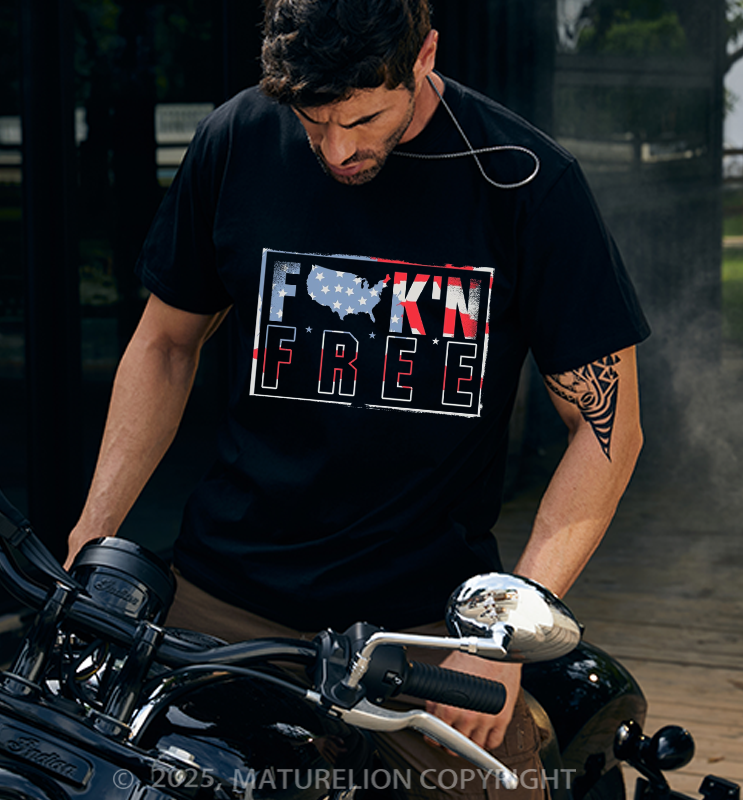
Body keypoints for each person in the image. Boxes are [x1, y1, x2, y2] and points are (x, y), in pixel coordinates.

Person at [66, 0, 649, 797]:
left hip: (423, 629)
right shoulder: (237, 139)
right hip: (225, 599)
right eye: (313, 123)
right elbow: (166, 345)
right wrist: (93, 529)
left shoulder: (525, 181)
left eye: (364, 119)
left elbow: (606, 430)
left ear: (425, 55)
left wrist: (501, 636)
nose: (338, 150)